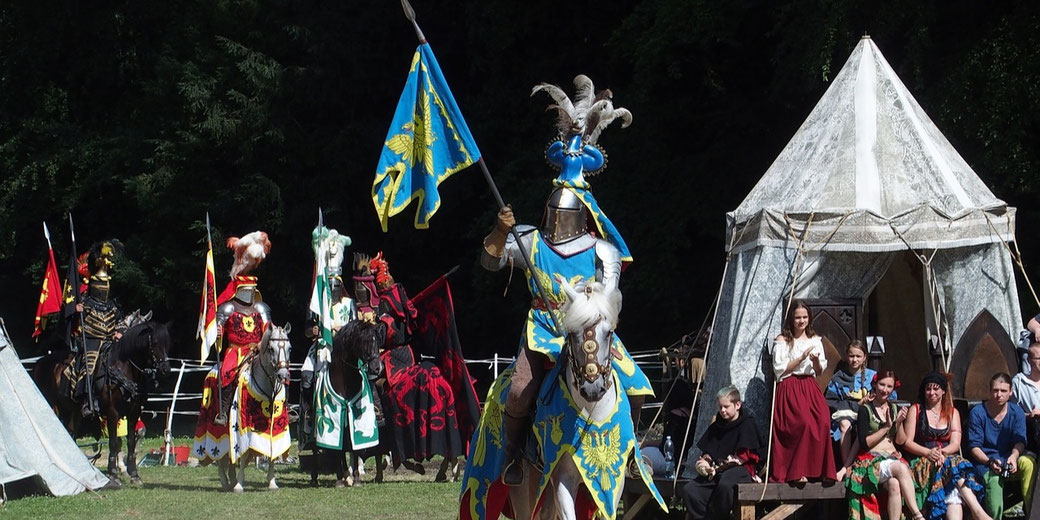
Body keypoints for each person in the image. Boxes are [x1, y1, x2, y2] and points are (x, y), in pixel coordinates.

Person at [193, 231, 273, 464]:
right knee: (227, 374)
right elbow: (216, 336)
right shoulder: (227, 309)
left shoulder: (260, 308)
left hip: (255, 351)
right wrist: (217, 333)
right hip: (235, 351)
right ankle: (223, 412)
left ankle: (277, 411)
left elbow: (268, 329)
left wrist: (263, 341)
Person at [897, 372, 990, 520]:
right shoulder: (916, 409)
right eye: (928, 389)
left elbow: (955, 443)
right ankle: (978, 512)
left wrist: (941, 453)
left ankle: (976, 513)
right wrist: (929, 453)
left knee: (952, 477)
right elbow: (907, 443)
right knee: (952, 467)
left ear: (943, 391)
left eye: (936, 389)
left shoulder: (953, 412)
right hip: (921, 461)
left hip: (945, 460)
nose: (932, 393)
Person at [769, 299, 836, 483]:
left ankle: (819, 470)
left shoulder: (815, 340)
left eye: (805, 317)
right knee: (803, 423)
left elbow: (820, 369)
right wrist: (800, 358)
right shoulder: (783, 340)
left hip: (809, 386)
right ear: (791, 319)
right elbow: (780, 369)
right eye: (798, 317)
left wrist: (814, 361)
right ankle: (798, 472)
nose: (801, 321)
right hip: (790, 386)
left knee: (822, 421)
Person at [846, 371, 925, 520]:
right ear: (875, 384)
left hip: (892, 457)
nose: (885, 389)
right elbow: (865, 442)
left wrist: (899, 423)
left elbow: (901, 441)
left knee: (895, 485)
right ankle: (917, 514)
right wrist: (886, 428)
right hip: (872, 461)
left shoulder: (894, 409)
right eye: (882, 385)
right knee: (900, 467)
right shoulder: (866, 410)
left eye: (889, 386)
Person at [680, 386, 763, 520]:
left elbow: (745, 457)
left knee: (725, 484)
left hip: (740, 470)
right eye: (720, 407)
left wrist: (723, 466)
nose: (722, 411)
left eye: (726, 406)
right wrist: (705, 463)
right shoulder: (717, 426)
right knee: (690, 490)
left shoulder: (747, 424)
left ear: (737, 405)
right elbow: (709, 451)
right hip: (716, 471)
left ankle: (721, 516)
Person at [968, 372, 1037, 519]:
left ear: (1010, 392)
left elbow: (1020, 440)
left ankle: (1033, 513)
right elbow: (974, 447)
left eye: (1003, 391)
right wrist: (990, 461)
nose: (999, 395)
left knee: (1029, 463)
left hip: (1009, 457)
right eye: (995, 390)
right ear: (990, 391)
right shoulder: (978, 413)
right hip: (986, 462)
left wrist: (1014, 456)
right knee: (993, 480)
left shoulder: (1016, 411)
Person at [73, 240, 126, 417]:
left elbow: (120, 321)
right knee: (89, 363)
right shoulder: (85, 303)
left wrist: (120, 331)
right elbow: (76, 322)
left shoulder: (111, 306)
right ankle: (88, 399)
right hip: (91, 340)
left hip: (110, 340)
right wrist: (76, 311)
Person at [826, 340, 897, 472]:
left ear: (864, 357)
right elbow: (830, 401)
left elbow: (891, 395)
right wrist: (855, 405)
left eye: (858, 356)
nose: (854, 360)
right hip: (846, 416)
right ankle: (847, 466)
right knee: (844, 425)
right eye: (852, 356)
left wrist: (872, 401)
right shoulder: (838, 378)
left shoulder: (872, 376)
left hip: (869, 415)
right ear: (847, 356)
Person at [1011, 342, 1040, 452]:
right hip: (1031, 433)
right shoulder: (1018, 383)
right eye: (1039, 358)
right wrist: (1029, 415)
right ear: (1029, 360)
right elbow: (1011, 412)